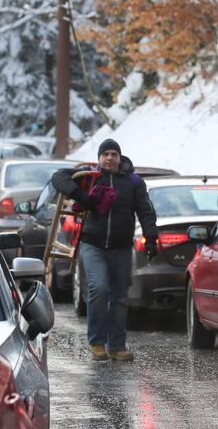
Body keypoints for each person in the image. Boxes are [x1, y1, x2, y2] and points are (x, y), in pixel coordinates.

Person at [51, 138, 158, 362]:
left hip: (121, 247)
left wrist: (151, 238)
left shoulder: (133, 182)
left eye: (114, 154)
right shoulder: (90, 177)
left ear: (120, 158)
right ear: (99, 158)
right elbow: (58, 176)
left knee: (119, 297)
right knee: (98, 289)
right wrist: (80, 195)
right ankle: (97, 343)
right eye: (105, 154)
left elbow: (145, 211)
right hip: (93, 245)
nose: (109, 158)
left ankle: (117, 346)